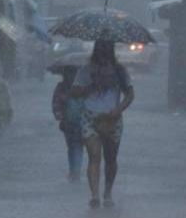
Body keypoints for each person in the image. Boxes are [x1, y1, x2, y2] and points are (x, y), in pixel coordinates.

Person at [72, 40, 134, 208]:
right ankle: (94, 195)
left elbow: (130, 94)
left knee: (111, 158)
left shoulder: (120, 71)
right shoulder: (86, 70)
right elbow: (75, 91)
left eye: (106, 49)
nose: (103, 53)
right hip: (90, 117)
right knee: (94, 155)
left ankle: (107, 192)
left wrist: (118, 109)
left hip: (113, 118)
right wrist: (90, 85)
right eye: (101, 49)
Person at [52, 67, 84, 182]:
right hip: (73, 123)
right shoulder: (84, 86)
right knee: (75, 147)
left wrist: (59, 115)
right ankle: (74, 171)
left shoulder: (62, 87)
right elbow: (56, 103)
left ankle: (75, 172)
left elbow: (56, 103)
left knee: (74, 146)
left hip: (74, 122)